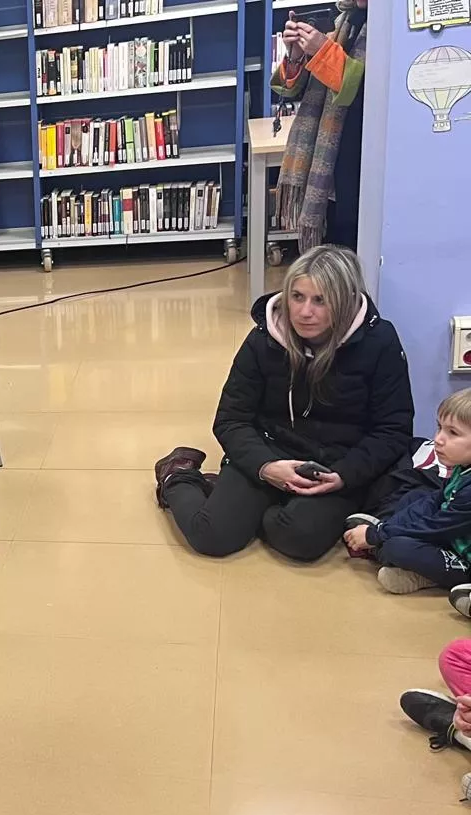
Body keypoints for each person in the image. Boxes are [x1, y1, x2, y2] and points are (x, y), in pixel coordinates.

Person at [154, 244, 413, 561]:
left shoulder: (380, 342)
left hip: (335, 464)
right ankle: (176, 475)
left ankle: (237, 498)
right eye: (297, 297)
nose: (305, 312)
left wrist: (345, 475)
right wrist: (265, 467)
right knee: (214, 537)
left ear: (344, 302)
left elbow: (393, 429)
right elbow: (230, 419)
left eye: (321, 300)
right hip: (270, 449)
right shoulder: (263, 339)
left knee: (300, 540)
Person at [344, 388, 471, 602]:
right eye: (440, 428)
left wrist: (377, 535)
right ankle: (387, 541)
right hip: (453, 537)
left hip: (462, 555)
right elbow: (434, 501)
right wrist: (384, 529)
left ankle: (395, 556)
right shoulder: (463, 468)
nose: (438, 439)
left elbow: (435, 527)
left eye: (453, 433)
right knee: (416, 497)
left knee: (398, 547)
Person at [272, 0, 368, 251]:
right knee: (332, 249)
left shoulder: (392, 30)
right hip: (330, 169)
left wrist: (325, 53)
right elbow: (292, 90)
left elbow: (368, 92)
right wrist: (296, 55)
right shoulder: (343, 22)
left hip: (362, 163)